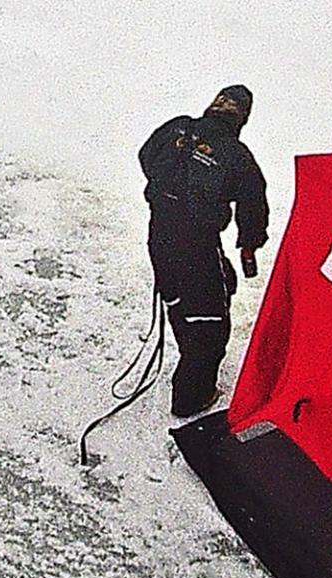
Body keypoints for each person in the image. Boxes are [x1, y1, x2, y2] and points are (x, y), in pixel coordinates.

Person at [139, 85, 268, 417]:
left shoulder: (178, 127)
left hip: (159, 237)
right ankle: (191, 397)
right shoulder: (236, 155)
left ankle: (189, 353)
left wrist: (167, 191)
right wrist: (249, 245)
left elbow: (147, 155)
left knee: (180, 298)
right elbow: (254, 205)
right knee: (211, 323)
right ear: (242, 118)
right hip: (196, 246)